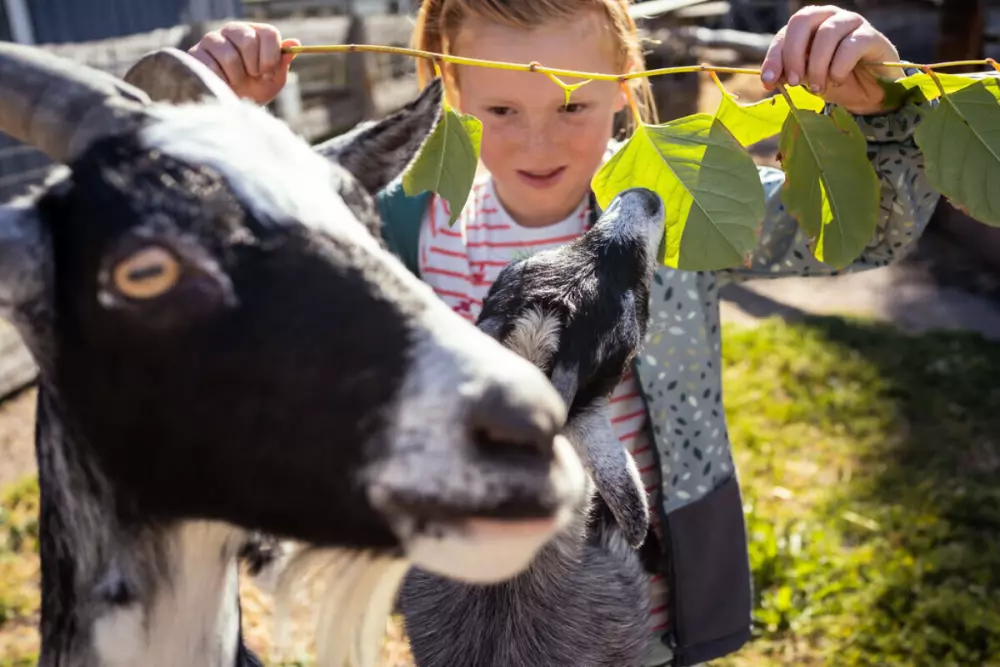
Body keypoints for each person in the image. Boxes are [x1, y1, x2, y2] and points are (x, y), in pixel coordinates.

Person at [188, 3, 940, 665]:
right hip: (464, 601)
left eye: (573, 106)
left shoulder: (672, 208)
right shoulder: (401, 224)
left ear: (624, 80)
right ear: (453, 90)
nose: (538, 143)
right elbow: (233, 277)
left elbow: (863, 232)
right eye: (502, 110)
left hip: (642, 589)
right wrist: (221, 129)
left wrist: (879, 110)